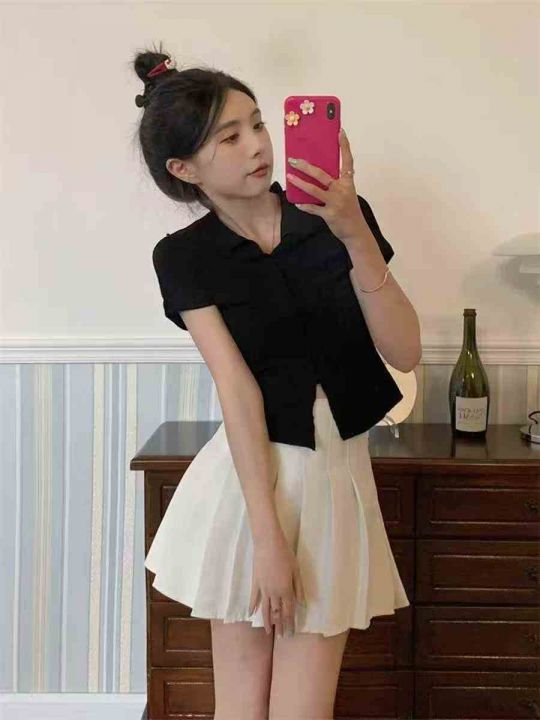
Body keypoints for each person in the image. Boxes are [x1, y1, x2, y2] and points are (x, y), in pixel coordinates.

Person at [132, 43, 421, 720]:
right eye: (229, 137)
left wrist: (354, 233)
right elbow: (237, 391)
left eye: (258, 124)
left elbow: (404, 349)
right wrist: (267, 542)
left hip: (334, 476)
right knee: (240, 709)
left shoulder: (338, 216)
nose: (257, 145)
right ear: (184, 169)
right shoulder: (184, 257)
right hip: (249, 486)